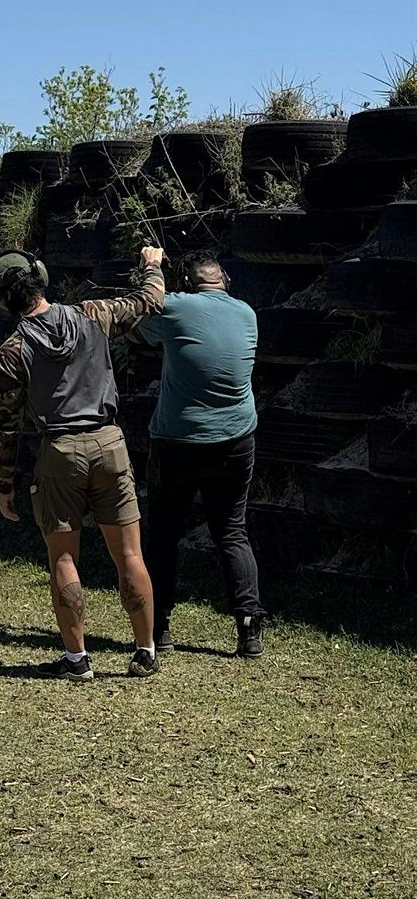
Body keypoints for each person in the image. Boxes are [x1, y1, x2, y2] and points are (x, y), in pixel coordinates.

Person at [0, 245, 166, 681]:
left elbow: (7, 426)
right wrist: (151, 266)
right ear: (41, 276)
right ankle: (145, 651)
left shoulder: (13, 350)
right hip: (110, 443)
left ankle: (77, 660)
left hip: (60, 453)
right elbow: (149, 301)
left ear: (2, 298)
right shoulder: (91, 314)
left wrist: (4, 483)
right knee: (129, 552)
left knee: (63, 559)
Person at [138, 252, 265, 659]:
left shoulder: (176, 305)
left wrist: (150, 266)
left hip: (179, 441)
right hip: (237, 438)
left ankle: (158, 627)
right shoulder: (247, 313)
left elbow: (140, 313)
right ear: (224, 280)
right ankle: (248, 627)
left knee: (163, 535)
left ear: (188, 284)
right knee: (231, 531)